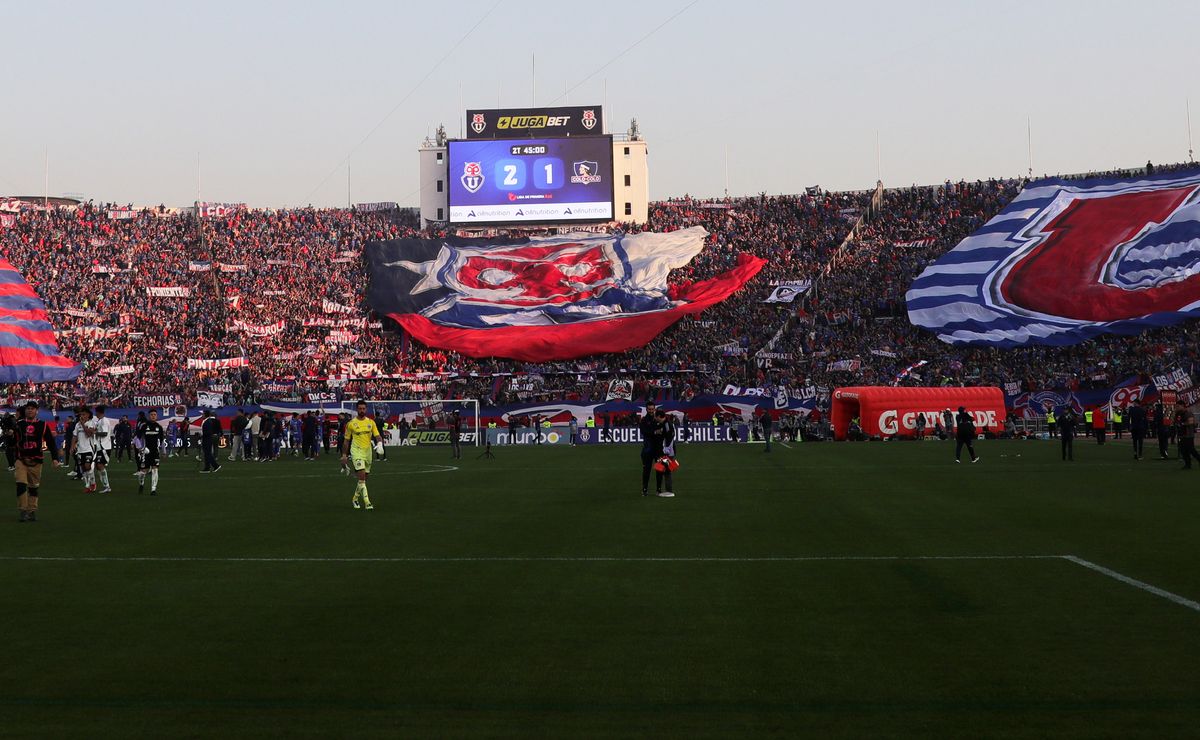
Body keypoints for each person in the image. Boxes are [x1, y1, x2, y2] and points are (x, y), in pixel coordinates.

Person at [13, 401, 61, 522]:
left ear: (36, 411)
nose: (30, 410)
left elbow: (50, 442)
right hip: (21, 459)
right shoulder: (19, 424)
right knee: (21, 484)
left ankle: (32, 510)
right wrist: (10, 436)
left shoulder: (43, 425)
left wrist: (55, 458)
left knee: (33, 487)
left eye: (32, 408)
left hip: (36, 460)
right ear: (25, 411)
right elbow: (14, 441)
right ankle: (23, 510)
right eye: (28, 408)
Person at [342, 400, 382, 510]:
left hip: (368, 452)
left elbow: (377, 436)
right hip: (356, 451)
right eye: (360, 408)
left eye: (363, 408)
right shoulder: (351, 424)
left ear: (366, 409)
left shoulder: (371, 422)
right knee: (362, 476)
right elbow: (346, 441)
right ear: (357, 409)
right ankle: (367, 502)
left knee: (364, 478)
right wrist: (344, 455)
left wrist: (379, 443)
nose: (362, 410)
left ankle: (355, 498)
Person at [638, 400, 663, 496]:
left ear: (655, 409)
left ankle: (659, 490)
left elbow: (662, 431)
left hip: (658, 449)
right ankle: (644, 489)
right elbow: (644, 432)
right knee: (646, 470)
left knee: (659, 469)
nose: (651, 411)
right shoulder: (644, 420)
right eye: (649, 409)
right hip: (648, 449)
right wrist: (654, 432)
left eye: (652, 409)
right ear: (646, 409)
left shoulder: (658, 419)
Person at [137, 409, 165, 495]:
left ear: (157, 416)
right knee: (143, 471)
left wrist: (163, 451)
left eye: (155, 414)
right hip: (146, 452)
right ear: (149, 416)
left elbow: (162, 440)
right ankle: (141, 484)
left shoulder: (159, 427)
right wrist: (140, 448)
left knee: (155, 469)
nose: (153, 416)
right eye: (152, 414)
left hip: (155, 452)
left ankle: (153, 490)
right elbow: (138, 437)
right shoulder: (144, 426)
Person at [653, 408, 677, 496]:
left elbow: (670, 438)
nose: (655, 418)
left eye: (656, 416)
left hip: (668, 452)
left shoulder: (667, 425)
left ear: (659, 416)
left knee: (667, 470)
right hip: (667, 451)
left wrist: (666, 450)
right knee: (664, 469)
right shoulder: (665, 424)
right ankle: (668, 490)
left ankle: (669, 491)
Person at [91, 405, 114, 493]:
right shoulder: (100, 421)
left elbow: (104, 433)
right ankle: (106, 486)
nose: (95, 413)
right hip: (100, 447)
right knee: (98, 466)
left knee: (100, 465)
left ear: (98, 412)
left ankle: (107, 486)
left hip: (105, 446)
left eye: (95, 412)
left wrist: (94, 432)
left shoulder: (104, 421)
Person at [1176, 402, 1200, 470]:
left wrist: (1182, 424)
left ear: (1183, 406)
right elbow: (1175, 421)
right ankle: (1187, 464)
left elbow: (1191, 422)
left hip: (1188, 434)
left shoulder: (1188, 413)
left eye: (1178, 406)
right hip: (1181, 434)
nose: (1177, 408)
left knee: (1191, 450)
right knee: (1183, 450)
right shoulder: (1178, 414)